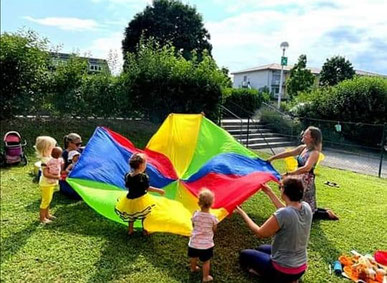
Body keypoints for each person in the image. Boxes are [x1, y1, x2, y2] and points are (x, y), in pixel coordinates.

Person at [237, 177, 313, 283]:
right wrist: (269, 192)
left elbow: (260, 233)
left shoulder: (284, 213)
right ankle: (292, 279)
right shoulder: (306, 207)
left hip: (282, 271)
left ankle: (268, 276)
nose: (279, 189)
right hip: (300, 268)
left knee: (244, 255)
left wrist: (242, 213)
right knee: (261, 248)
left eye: (280, 187)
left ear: (284, 190)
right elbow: (287, 210)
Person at [266, 126, 338, 220]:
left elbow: (307, 168)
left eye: (307, 134)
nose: (303, 134)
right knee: (298, 203)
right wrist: (272, 158)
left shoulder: (315, 153)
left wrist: (288, 174)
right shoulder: (303, 148)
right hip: (298, 176)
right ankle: (324, 211)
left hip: (306, 180)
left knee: (305, 210)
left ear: (312, 138)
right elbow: (289, 153)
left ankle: (327, 214)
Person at [115, 153, 165, 236]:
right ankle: (145, 230)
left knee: (131, 215)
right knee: (144, 215)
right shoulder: (143, 177)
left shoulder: (128, 175)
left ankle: (130, 230)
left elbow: (127, 186)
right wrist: (159, 190)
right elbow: (147, 188)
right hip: (141, 199)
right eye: (145, 163)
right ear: (141, 165)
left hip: (130, 199)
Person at [188, 188, 219, 282]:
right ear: (212, 204)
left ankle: (193, 268)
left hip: (193, 243)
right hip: (206, 246)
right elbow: (214, 229)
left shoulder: (195, 215)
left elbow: (193, 225)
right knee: (206, 261)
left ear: (198, 203)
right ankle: (205, 277)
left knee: (194, 257)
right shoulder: (213, 218)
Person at [35, 136, 60, 224]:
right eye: (53, 147)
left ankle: (47, 214)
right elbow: (46, 174)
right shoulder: (44, 161)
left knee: (48, 199)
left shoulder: (49, 158)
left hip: (50, 183)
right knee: (45, 200)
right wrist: (57, 177)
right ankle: (42, 218)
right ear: (47, 149)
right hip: (46, 183)